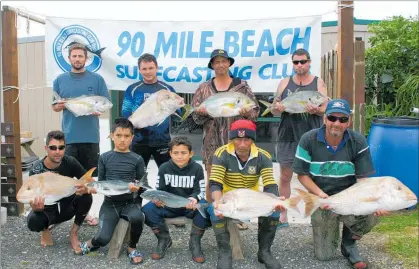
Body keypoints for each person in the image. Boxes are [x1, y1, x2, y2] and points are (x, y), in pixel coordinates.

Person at [292, 99, 390, 269]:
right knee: (324, 256)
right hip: (323, 198)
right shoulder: (308, 139)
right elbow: (302, 174)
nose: (336, 123)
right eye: (332, 118)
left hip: (350, 197)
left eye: (342, 119)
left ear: (349, 121)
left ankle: (349, 244)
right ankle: (328, 233)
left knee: (371, 213)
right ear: (325, 119)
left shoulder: (358, 141)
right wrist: (321, 195)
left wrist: (374, 202)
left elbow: (363, 180)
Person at [192, 49, 259, 230]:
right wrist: (202, 113)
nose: (220, 64)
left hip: (238, 142)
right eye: (217, 62)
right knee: (212, 179)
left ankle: (237, 217)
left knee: (238, 179)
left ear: (229, 63)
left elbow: (255, 112)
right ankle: (210, 216)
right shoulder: (204, 88)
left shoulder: (241, 86)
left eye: (224, 61)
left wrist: (247, 113)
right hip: (212, 141)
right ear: (212, 65)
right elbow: (196, 118)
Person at [208, 119, 285, 269]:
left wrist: (274, 201)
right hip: (228, 197)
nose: (242, 144)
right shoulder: (221, 153)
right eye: (238, 139)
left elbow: (269, 184)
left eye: (247, 140)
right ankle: (225, 252)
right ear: (232, 139)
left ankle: (264, 252)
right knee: (213, 209)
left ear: (252, 140)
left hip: (252, 197)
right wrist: (217, 202)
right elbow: (215, 183)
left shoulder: (263, 156)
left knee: (273, 213)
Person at [52, 43, 111, 226]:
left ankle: (85, 214)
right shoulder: (60, 80)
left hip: (91, 138)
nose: (77, 59)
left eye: (80, 56)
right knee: (66, 179)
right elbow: (54, 107)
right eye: (74, 56)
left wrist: (98, 110)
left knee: (87, 180)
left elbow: (105, 104)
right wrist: (59, 105)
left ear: (87, 58)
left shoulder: (97, 80)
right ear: (69, 59)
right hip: (69, 138)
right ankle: (62, 215)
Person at [270, 48, 328, 227]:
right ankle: (283, 215)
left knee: (314, 176)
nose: (300, 65)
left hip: (312, 137)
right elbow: (273, 109)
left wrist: (316, 109)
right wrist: (277, 108)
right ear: (293, 64)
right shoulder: (284, 83)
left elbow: (326, 107)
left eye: (303, 61)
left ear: (309, 62)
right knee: (285, 175)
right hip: (287, 135)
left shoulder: (318, 83)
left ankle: (317, 214)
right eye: (296, 62)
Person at [78, 118, 147, 265]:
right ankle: (92, 243)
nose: (122, 140)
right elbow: (101, 181)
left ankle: (132, 247)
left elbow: (141, 184)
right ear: (112, 136)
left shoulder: (137, 159)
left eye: (126, 136)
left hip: (130, 202)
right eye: (119, 135)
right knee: (103, 239)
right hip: (110, 204)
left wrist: (137, 190)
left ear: (132, 138)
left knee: (138, 217)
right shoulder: (104, 157)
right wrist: (95, 189)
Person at [142, 136, 211, 263]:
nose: (180, 156)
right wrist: (157, 200)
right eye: (176, 153)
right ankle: (164, 239)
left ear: (191, 154)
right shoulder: (164, 168)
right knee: (146, 211)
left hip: (189, 206)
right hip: (168, 206)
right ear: (170, 154)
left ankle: (194, 242)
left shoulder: (196, 168)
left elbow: (199, 190)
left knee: (206, 209)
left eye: (184, 153)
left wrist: (194, 198)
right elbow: (160, 191)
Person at [26, 130, 93, 254]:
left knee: (86, 195)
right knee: (33, 221)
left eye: (61, 147)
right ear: (46, 148)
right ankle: (45, 229)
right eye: (53, 148)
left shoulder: (71, 161)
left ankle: (73, 233)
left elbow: (88, 181)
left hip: (67, 208)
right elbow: (31, 198)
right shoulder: (36, 170)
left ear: (65, 148)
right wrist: (35, 208)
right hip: (47, 210)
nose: (57, 152)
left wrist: (86, 187)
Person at [122, 53, 183, 169]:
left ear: (157, 68)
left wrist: (176, 108)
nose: (148, 71)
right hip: (138, 141)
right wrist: (131, 128)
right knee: (136, 178)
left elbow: (178, 116)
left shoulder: (167, 90)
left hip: (162, 141)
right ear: (139, 70)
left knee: (166, 176)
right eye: (144, 69)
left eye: (151, 68)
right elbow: (125, 112)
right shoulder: (132, 89)